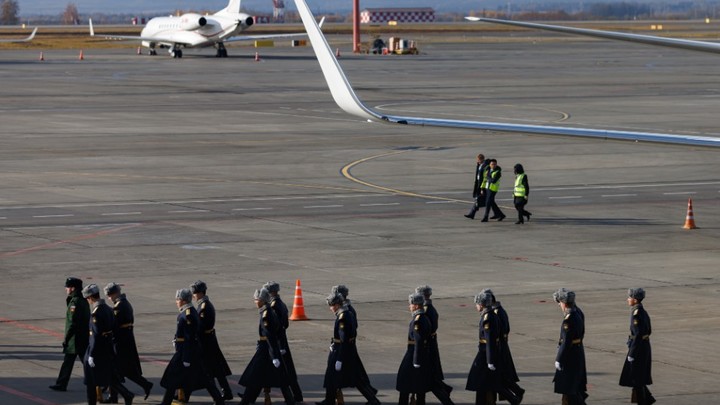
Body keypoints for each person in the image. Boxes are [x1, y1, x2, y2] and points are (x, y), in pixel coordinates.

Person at [159, 288, 225, 405]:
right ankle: (218, 400)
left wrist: (186, 358)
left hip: (187, 352)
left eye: (178, 299)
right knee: (203, 378)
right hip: (186, 351)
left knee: (174, 377)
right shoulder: (186, 312)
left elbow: (189, 338)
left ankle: (166, 402)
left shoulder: (188, 314)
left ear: (183, 301)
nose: (176, 301)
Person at [317, 293, 380, 405]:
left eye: (331, 305)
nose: (330, 308)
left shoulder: (342, 318)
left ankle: (372, 400)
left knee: (351, 378)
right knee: (336, 377)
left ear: (336, 305)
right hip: (345, 350)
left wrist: (340, 359)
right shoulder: (348, 313)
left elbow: (344, 340)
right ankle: (329, 399)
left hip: (342, 352)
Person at [238, 288, 295, 405]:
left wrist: (274, 355)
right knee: (277, 378)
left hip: (266, 350)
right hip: (269, 349)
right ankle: (290, 400)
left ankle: (245, 401)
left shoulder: (266, 315)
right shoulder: (268, 311)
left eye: (256, 299)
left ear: (261, 300)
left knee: (254, 376)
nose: (255, 302)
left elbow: (270, 336)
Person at [82, 284, 135, 405]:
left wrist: (91, 354)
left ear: (91, 297)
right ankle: (126, 394)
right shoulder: (108, 308)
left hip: (97, 351)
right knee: (109, 376)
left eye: (87, 298)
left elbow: (95, 336)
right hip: (107, 348)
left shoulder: (96, 313)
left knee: (91, 381)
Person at [397, 293, 454, 405]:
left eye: (411, 304)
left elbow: (418, 342)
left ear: (417, 305)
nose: (409, 306)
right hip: (419, 355)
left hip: (413, 356)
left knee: (404, 384)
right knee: (420, 387)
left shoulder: (418, 320)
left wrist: (416, 361)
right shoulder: (423, 318)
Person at [466, 291, 520, 405]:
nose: (476, 306)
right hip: (487, 353)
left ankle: (513, 398)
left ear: (481, 304)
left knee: (482, 381)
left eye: (477, 304)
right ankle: (513, 397)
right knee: (489, 382)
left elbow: (490, 340)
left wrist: (490, 361)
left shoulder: (488, 318)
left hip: (485, 354)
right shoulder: (491, 314)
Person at [103, 282, 153, 402]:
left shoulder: (119, 306)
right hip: (125, 341)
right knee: (125, 370)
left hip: (121, 343)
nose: (109, 298)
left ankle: (115, 396)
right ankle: (115, 395)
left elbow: (114, 324)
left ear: (115, 293)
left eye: (110, 295)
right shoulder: (123, 303)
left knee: (115, 370)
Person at [331, 284, 378, 401]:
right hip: (347, 346)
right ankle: (329, 398)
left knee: (355, 376)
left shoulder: (346, 312)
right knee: (353, 373)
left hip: (346, 347)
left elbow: (348, 332)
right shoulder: (347, 309)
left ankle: (371, 396)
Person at [191, 280, 233, 401]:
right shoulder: (202, 304)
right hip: (209, 340)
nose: (194, 295)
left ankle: (218, 396)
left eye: (195, 293)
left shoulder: (204, 307)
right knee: (217, 369)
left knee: (209, 370)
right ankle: (227, 392)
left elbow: (201, 327)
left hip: (206, 342)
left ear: (201, 293)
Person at [482, 289, 524, 403]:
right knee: (502, 376)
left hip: (500, 347)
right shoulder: (498, 311)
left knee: (500, 377)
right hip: (500, 346)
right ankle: (516, 392)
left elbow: (502, 331)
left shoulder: (497, 313)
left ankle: (516, 392)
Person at [264, 281, 303, 403]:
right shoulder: (281, 304)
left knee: (283, 371)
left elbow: (277, 326)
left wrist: (278, 344)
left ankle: (294, 396)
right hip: (281, 341)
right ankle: (297, 395)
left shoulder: (274, 306)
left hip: (278, 342)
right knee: (285, 370)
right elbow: (285, 324)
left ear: (271, 292)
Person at [50, 277, 90, 392]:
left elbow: (72, 323)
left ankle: (100, 382)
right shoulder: (80, 300)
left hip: (76, 339)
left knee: (85, 362)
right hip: (81, 337)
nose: (66, 290)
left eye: (67, 287)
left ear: (72, 288)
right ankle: (61, 383)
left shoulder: (75, 302)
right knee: (72, 361)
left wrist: (66, 339)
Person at [415, 285, 453, 395]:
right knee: (432, 375)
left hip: (428, 344)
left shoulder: (426, 310)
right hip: (430, 342)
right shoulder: (428, 308)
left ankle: (445, 391)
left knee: (430, 375)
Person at [619, 288, 655, 405]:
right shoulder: (642, 311)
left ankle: (644, 401)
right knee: (639, 376)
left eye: (629, 298)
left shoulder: (636, 314)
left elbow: (638, 334)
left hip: (638, 349)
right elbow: (648, 331)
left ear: (635, 300)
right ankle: (648, 399)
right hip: (643, 346)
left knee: (636, 378)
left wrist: (632, 353)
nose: (628, 300)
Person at [552, 288, 587, 405]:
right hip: (578, 353)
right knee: (573, 387)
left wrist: (559, 359)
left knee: (569, 388)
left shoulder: (568, 319)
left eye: (560, 303)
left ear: (564, 303)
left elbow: (566, 341)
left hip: (569, 356)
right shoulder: (578, 312)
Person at [465, 154, 489, 219]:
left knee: (482, 200)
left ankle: (472, 214)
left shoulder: (485, 166)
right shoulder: (480, 165)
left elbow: (484, 177)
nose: (477, 161)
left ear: (481, 159)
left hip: (482, 185)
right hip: (479, 184)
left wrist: (482, 187)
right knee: (479, 200)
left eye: (478, 160)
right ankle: (472, 214)